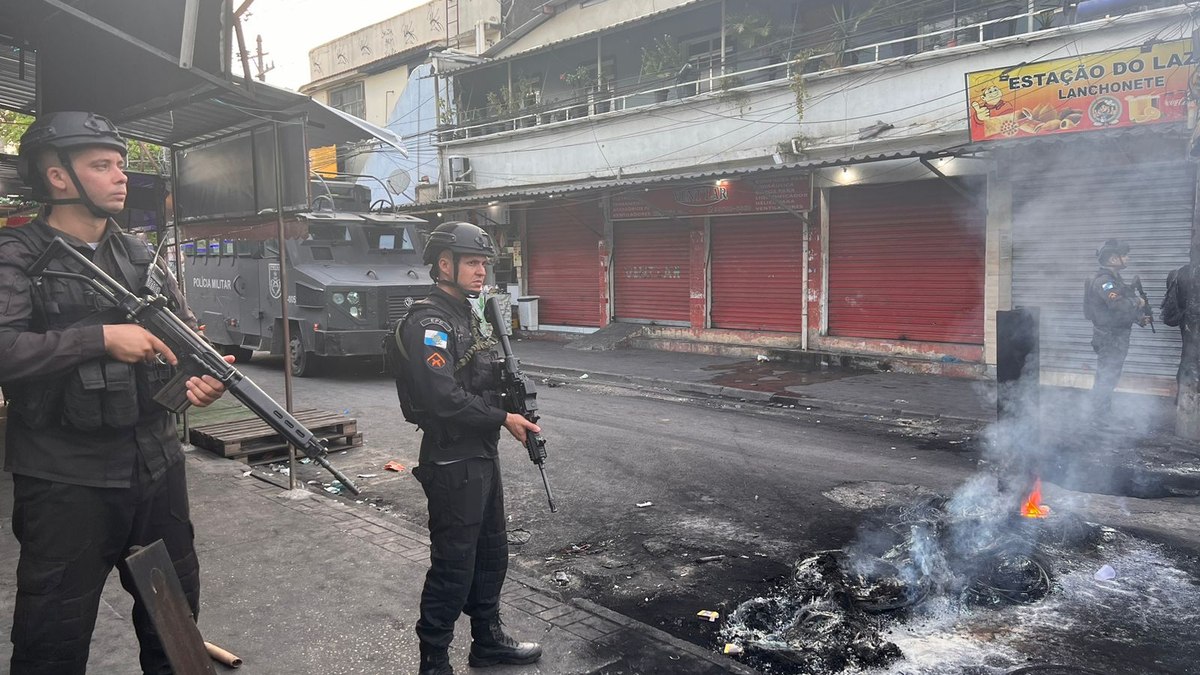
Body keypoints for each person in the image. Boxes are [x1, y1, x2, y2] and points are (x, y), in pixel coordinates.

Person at [0, 111, 233, 674]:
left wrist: (195, 386)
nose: (121, 176)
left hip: (156, 468)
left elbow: (183, 343)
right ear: (58, 178)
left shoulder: (142, 256)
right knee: (51, 639)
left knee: (175, 630)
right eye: (102, 166)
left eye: (121, 165)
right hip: (65, 479)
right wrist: (99, 338)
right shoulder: (16, 257)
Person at [389, 221, 542, 675]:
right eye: (472, 262)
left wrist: (514, 401)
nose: (481, 272)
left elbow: (477, 380)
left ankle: (487, 641)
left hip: (480, 454)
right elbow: (443, 397)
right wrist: (502, 417)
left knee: (491, 553)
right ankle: (433, 659)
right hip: (452, 459)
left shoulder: (467, 316)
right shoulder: (429, 323)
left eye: (484, 263)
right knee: (454, 565)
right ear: (444, 265)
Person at [1083, 238, 1149, 422]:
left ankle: (1100, 413)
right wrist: (1138, 302)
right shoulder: (1105, 282)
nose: (1127, 258)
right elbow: (1117, 305)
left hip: (1116, 336)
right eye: (1124, 255)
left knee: (1110, 375)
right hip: (1109, 337)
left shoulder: (1114, 280)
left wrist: (1139, 319)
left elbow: (1119, 311)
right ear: (1113, 259)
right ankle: (1097, 417)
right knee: (1107, 376)